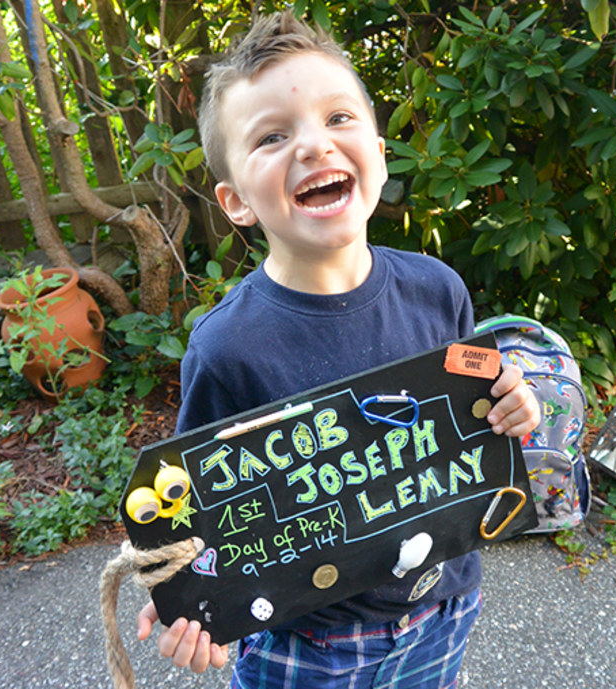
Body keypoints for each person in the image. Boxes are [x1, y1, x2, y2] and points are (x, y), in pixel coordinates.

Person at [137, 11, 540, 688]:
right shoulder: (227, 348)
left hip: (442, 605)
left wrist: (512, 406)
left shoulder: (438, 291)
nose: (314, 146)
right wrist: (189, 602)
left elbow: (479, 418)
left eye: (338, 118)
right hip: (307, 639)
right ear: (236, 202)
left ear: (380, 152)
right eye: (272, 136)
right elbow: (193, 506)